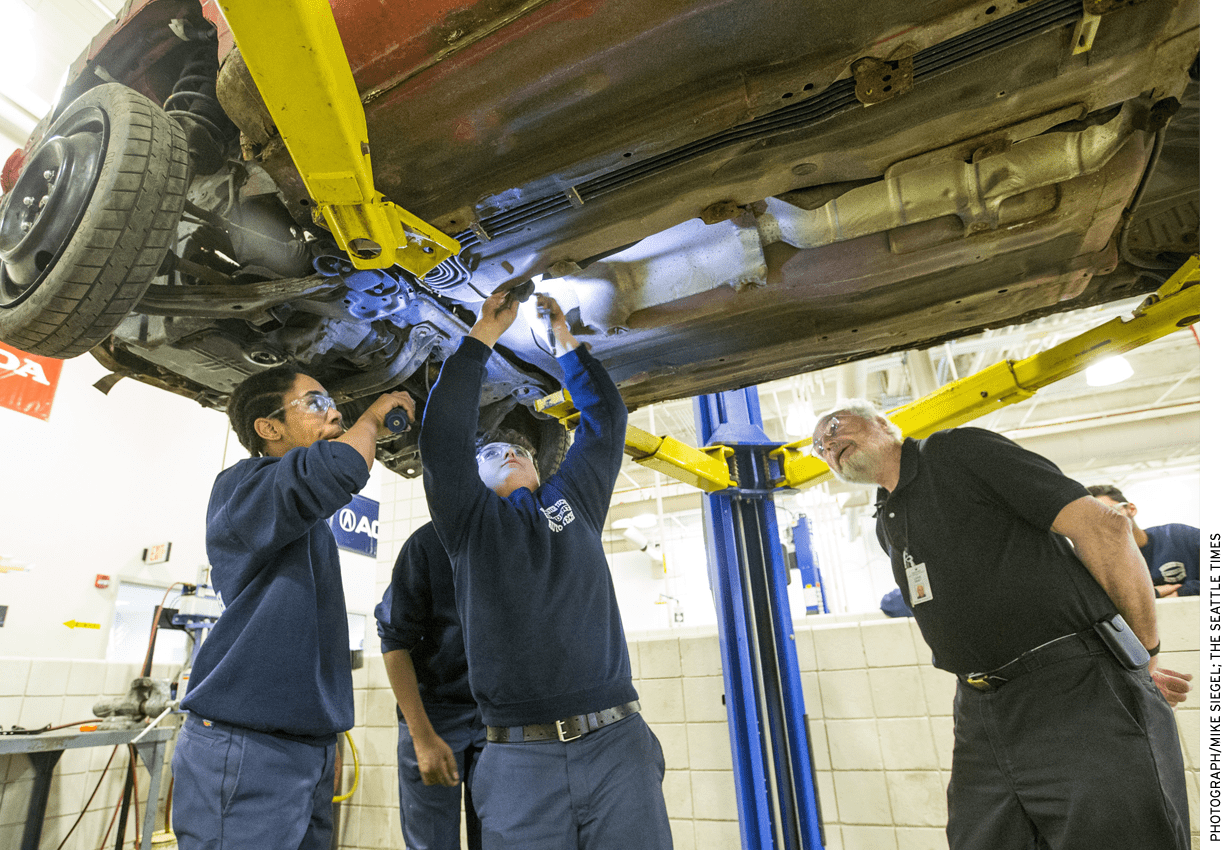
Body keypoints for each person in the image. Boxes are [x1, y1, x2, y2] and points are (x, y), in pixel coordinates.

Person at [812, 400, 1191, 850]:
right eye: (819, 446)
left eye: (834, 426)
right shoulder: (888, 520)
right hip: (979, 708)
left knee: (1122, 836)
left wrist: (1141, 659)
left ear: (882, 422)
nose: (828, 443)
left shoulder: (956, 452)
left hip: (1074, 688)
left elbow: (1104, 526)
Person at [418, 291, 672, 850]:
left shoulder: (573, 500)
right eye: (490, 454)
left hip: (614, 742)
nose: (509, 453)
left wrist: (566, 345)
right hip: (516, 757)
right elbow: (440, 443)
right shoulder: (468, 524)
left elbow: (606, 421)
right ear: (473, 479)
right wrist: (481, 337)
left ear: (539, 467)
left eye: (521, 452)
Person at [172, 364, 413, 850]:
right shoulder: (243, 487)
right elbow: (340, 470)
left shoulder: (299, 518)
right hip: (246, 748)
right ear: (269, 428)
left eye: (333, 402)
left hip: (306, 749)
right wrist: (372, 418)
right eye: (316, 402)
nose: (334, 411)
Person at [375, 521, 485, 850]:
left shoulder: (506, 535)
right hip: (432, 715)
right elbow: (394, 643)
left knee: (502, 838)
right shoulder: (425, 545)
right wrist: (423, 738)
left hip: (494, 716)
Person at [1087, 484, 1200, 597]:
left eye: (1109, 511)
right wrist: (1156, 594)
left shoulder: (1178, 535)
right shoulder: (1102, 565)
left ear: (1131, 509)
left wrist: (1181, 593)